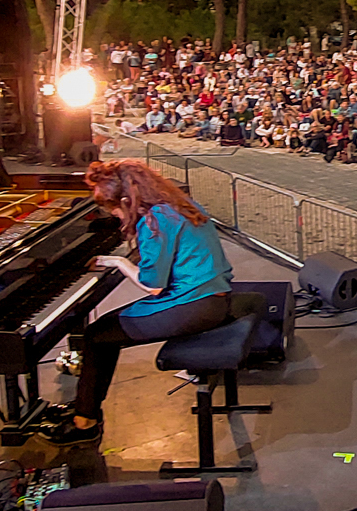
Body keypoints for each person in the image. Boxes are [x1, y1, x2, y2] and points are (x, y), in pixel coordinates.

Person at [49, 160, 235, 445]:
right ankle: (84, 412)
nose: (114, 215)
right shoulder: (178, 202)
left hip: (193, 306)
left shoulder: (155, 220)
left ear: (126, 199)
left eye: (113, 208)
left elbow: (153, 285)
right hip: (213, 295)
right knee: (105, 331)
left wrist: (118, 261)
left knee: (97, 336)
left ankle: (85, 423)